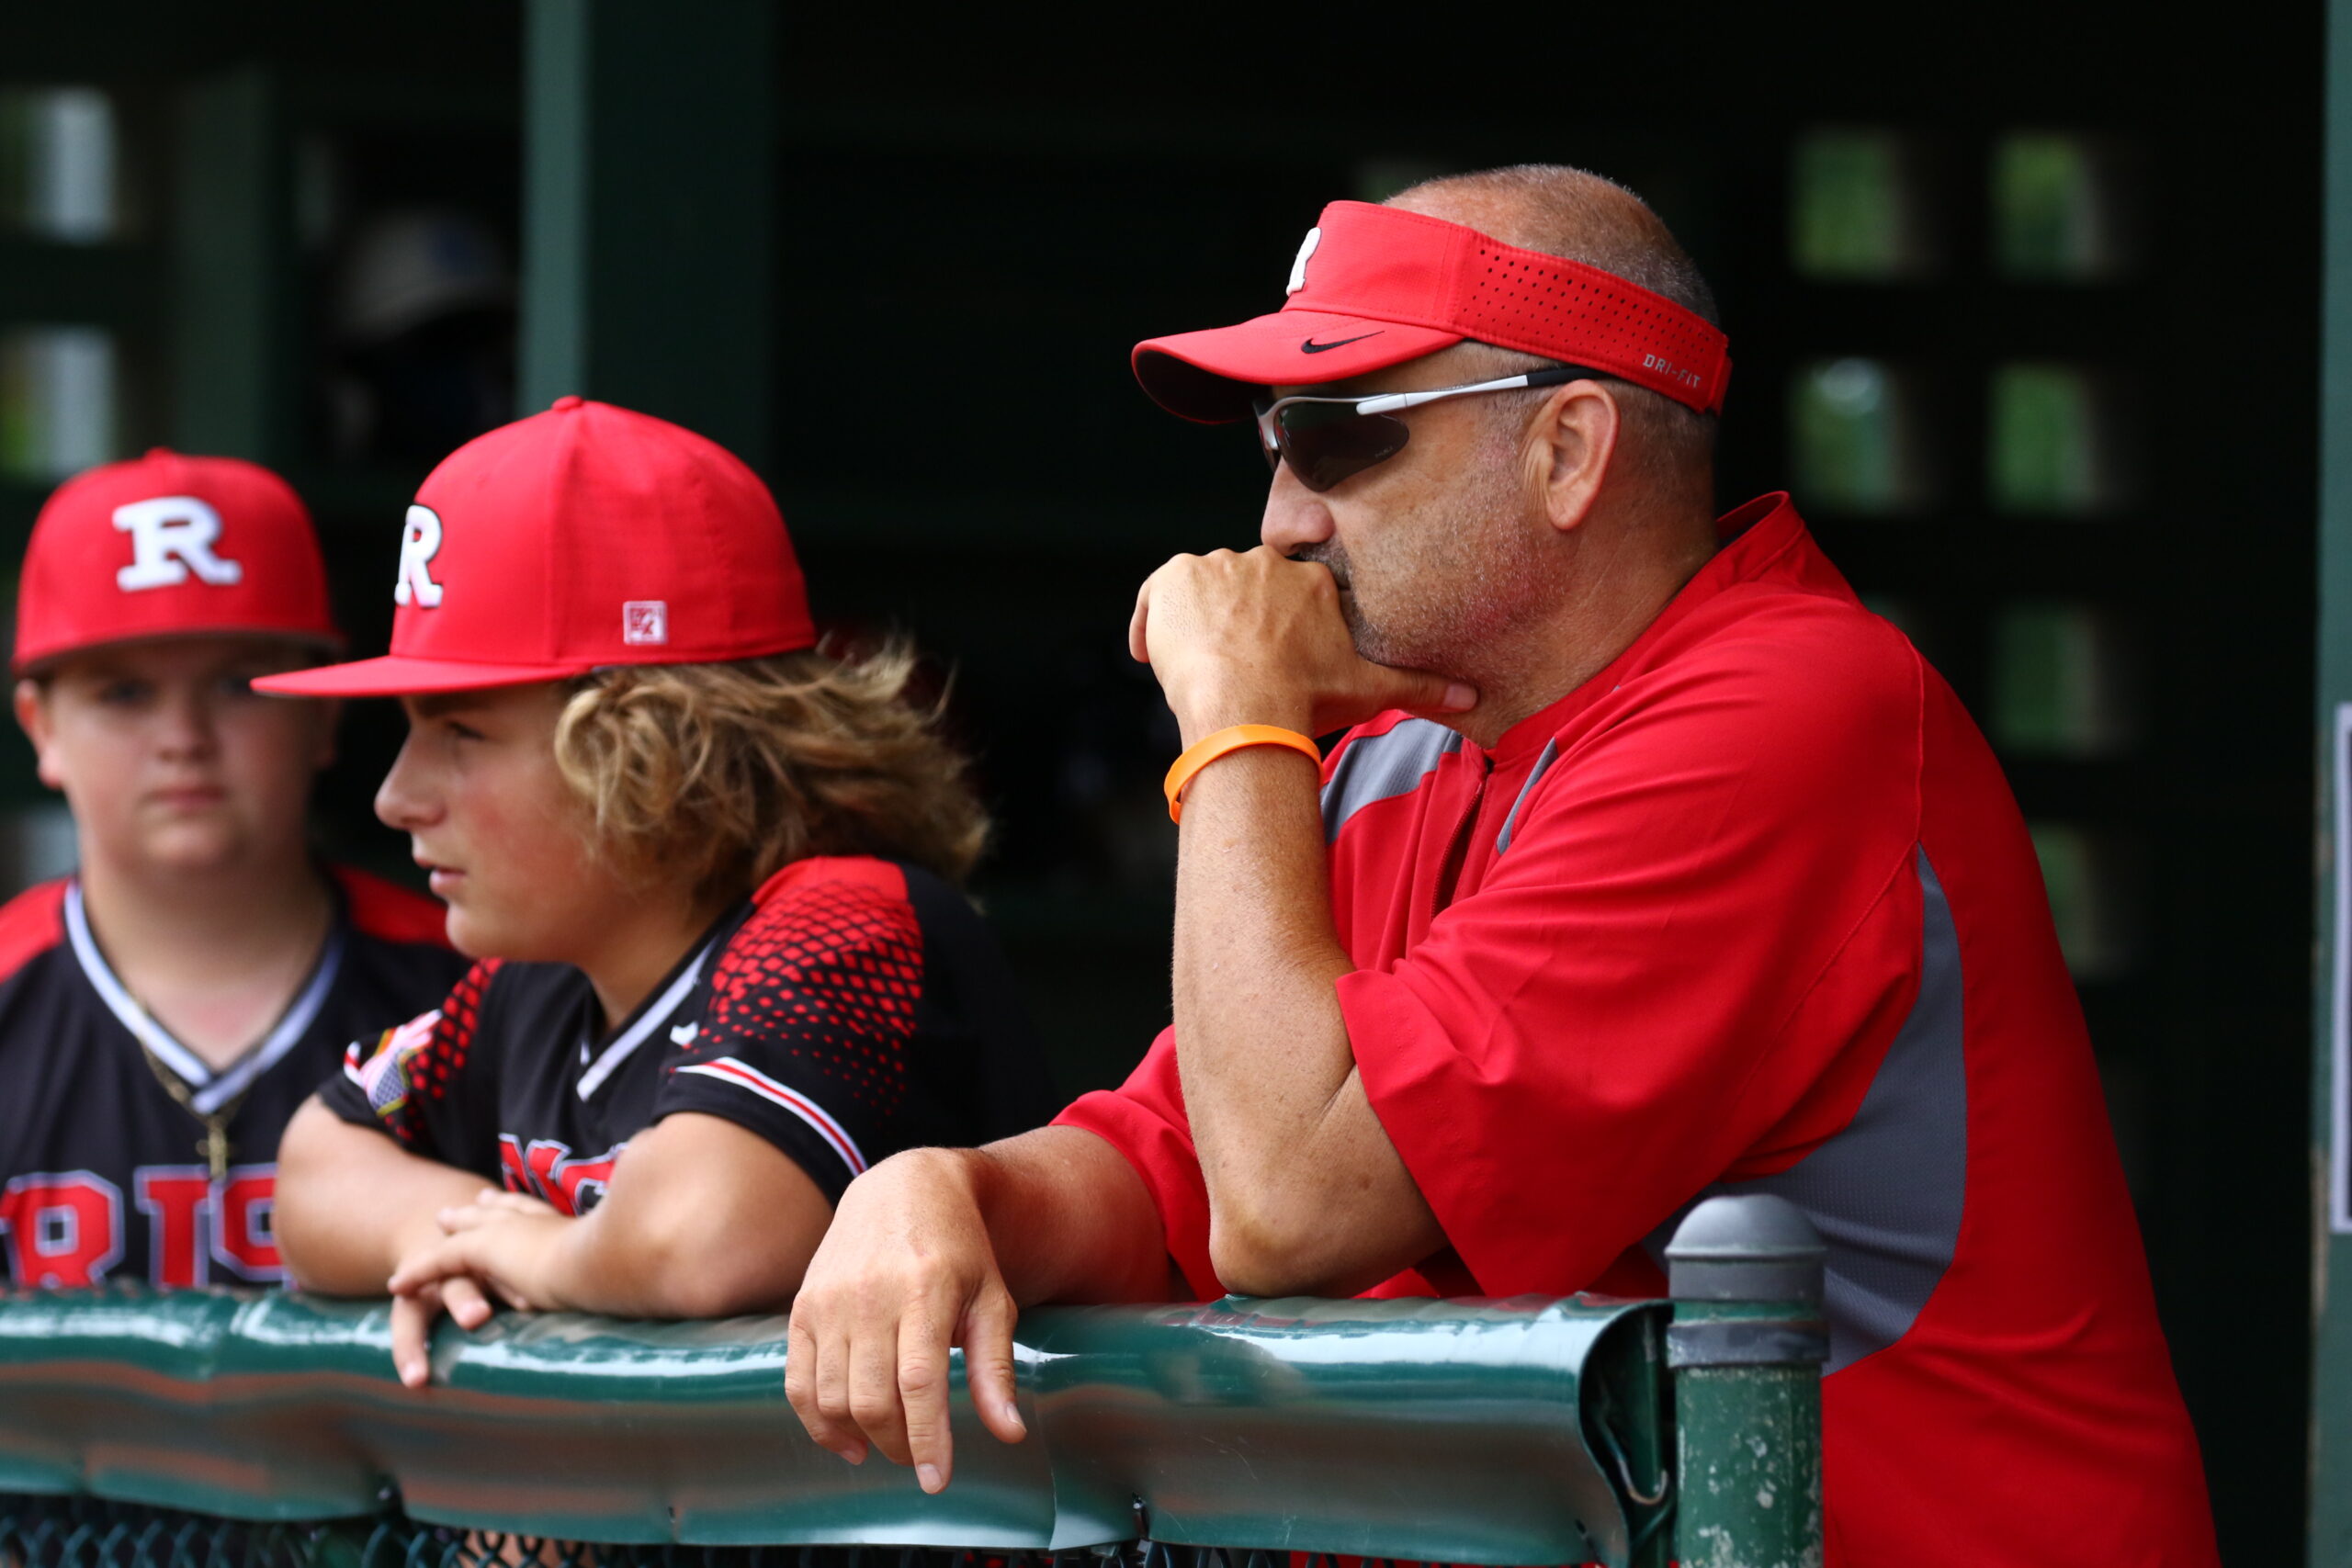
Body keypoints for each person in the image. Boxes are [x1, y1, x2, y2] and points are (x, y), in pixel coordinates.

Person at [779, 166, 2221, 1563]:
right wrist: (948, 1188)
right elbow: (1186, 1163)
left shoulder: (1789, 712)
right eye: (1274, 439)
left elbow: (1289, 1207)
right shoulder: (1403, 750)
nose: (1284, 517)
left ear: (1569, 451)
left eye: (1343, 431)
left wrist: (1237, 729)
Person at [265, 396, 1053, 1389]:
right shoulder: (531, 985)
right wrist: (475, 1241)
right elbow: (316, 1161)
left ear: (660, 747)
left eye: (460, 734)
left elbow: (704, 1236)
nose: (395, 797)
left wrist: (542, 1256)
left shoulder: (846, 920)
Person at [0, 448, 464, 1288]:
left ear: (323, 710)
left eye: (237, 683)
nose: (183, 737)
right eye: (124, 693)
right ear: (42, 728)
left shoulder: (472, 987)